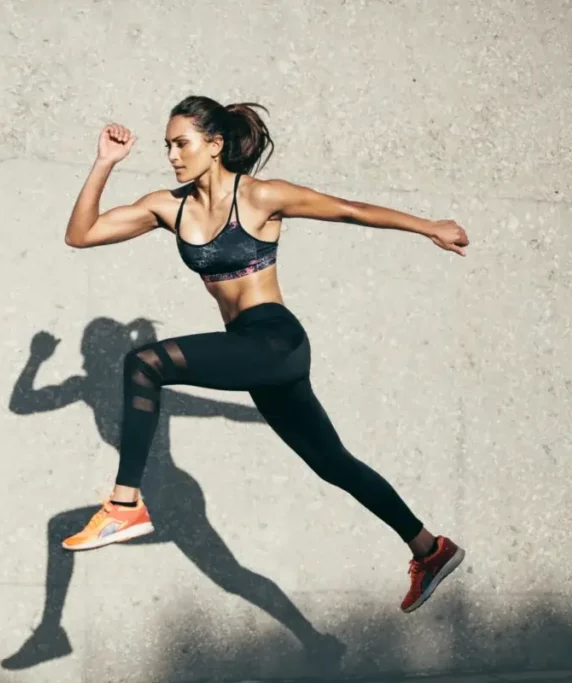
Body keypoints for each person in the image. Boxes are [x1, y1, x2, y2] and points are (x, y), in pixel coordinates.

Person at [61, 95, 469, 613]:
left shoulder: (259, 196)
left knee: (144, 364)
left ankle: (124, 504)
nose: (171, 155)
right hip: (247, 352)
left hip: (276, 340)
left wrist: (430, 226)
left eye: (181, 143)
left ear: (214, 145)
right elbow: (81, 235)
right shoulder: (168, 206)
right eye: (167, 145)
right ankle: (430, 549)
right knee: (332, 462)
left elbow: (348, 210)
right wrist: (103, 164)